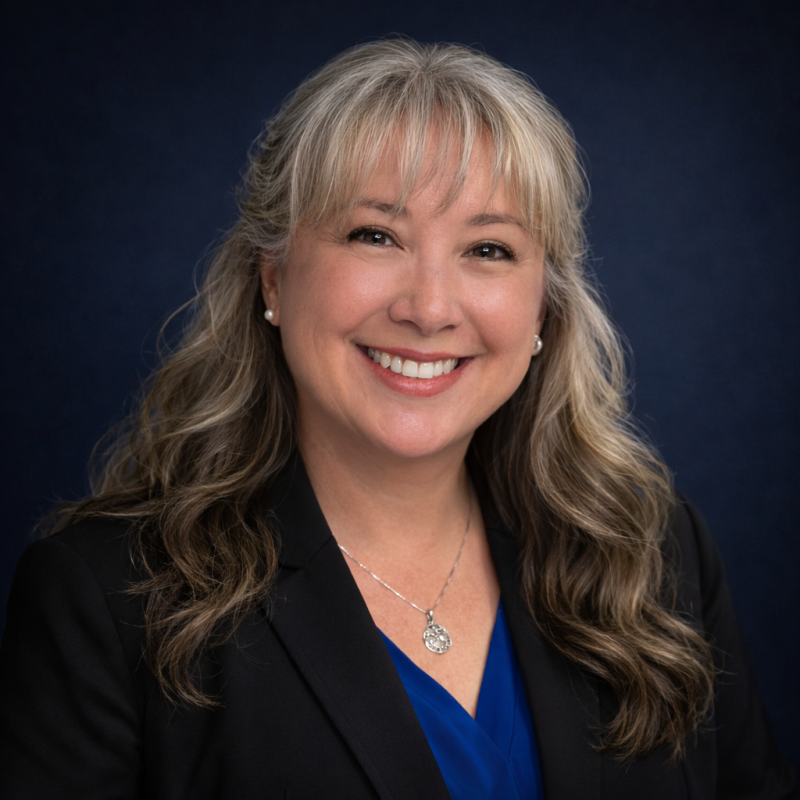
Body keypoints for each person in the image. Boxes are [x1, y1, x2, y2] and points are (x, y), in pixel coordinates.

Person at [0, 39, 795, 800]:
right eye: (374, 235)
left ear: (543, 307)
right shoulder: (107, 597)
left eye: (488, 250)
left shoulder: (657, 556)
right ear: (272, 279)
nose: (428, 308)